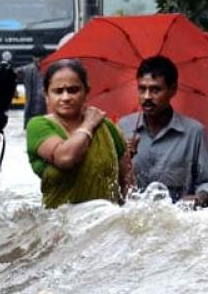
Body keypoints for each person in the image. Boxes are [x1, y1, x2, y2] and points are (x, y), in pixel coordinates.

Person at [26, 59, 132, 208]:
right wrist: (88, 124)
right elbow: (65, 158)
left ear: (86, 92)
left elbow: (127, 182)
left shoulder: (106, 127)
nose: (66, 97)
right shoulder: (38, 126)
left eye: (73, 90)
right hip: (59, 225)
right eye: (58, 91)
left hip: (106, 223)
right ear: (46, 95)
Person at [118, 55, 208, 208]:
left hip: (177, 219)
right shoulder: (124, 127)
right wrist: (124, 159)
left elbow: (207, 183)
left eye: (155, 90)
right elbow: (110, 182)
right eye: (142, 89)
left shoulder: (194, 132)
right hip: (134, 219)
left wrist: (199, 198)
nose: (146, 97)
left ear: (173, 89)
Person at [18, 44, 50, 128]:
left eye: (41, 58)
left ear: (46, 57)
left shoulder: (51, 69)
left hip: (48, 111)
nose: (39, 61)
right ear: (32, 58)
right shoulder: (26, 70)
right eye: (36, 58)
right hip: (31, 112)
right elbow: (12, 75)